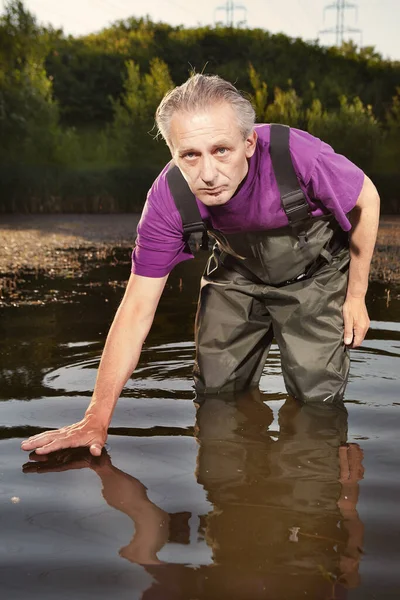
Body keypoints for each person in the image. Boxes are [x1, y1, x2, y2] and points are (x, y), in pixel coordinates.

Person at [21, 74, 380, 457]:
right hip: (235, 273)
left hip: (313, 275)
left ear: (249, 143)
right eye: (189, 155)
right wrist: (96, 417)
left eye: (221, 150)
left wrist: (355, 296)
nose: (207, 175)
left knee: (316, 399)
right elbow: (136, 311)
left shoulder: (297, 156)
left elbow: (367, 199)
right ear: (173, 153)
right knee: (215, 391)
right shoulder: (167, 199)